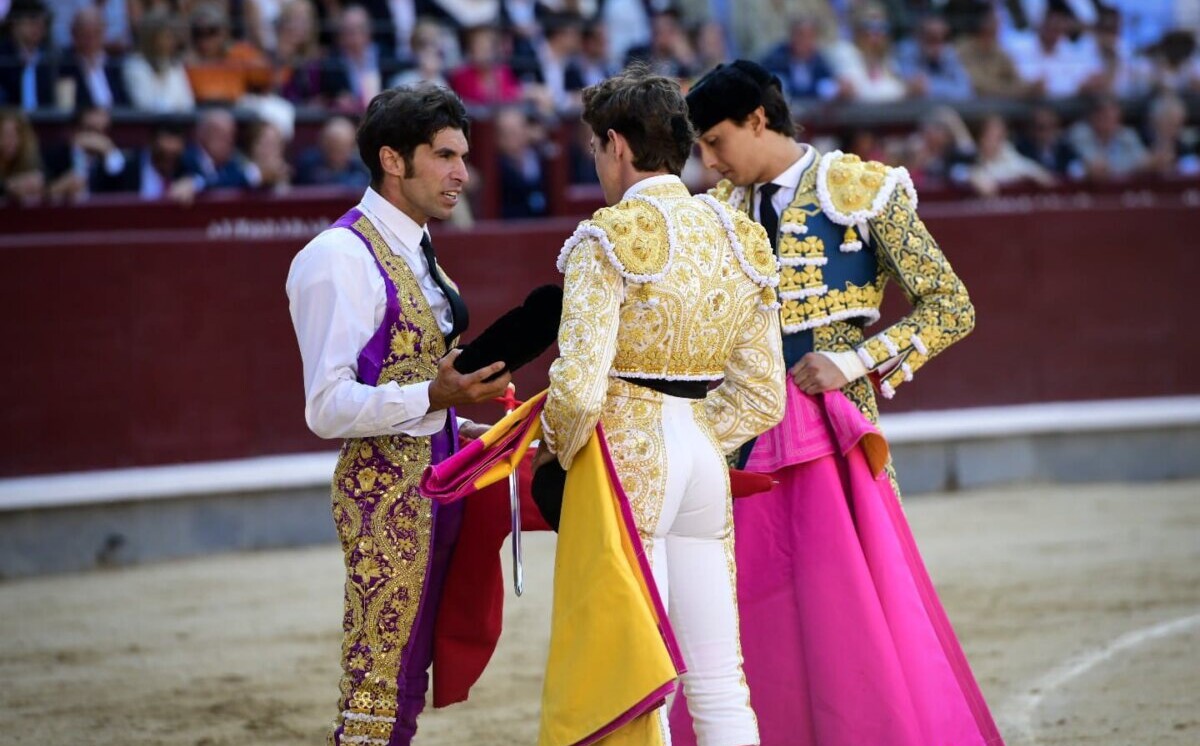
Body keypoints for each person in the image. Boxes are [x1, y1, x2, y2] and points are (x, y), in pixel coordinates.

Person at [679, 59, 1002, 746]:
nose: (707, 161)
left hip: (835, 433)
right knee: (749, 608)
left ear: (758, 120)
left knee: (846, 607)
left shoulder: (861, 189)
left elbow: (952, 306)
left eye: (715, 142)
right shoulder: (721, 212)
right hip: (740, 441)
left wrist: (856, 357)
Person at [537, 66, 786, 745]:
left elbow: (579, 390)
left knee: (634, 680)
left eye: (594, 148)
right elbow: (765, 394)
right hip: (703, 462)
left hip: (626, 464)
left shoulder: (608, 236)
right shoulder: (740, 235)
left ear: (616, 144)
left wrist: (555, 450)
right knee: (718, 675)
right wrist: (698, 430)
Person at [286, 84, 511, 746]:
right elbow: (325, 406)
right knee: (378, 681)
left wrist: (462, 420)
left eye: (463, 157)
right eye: (444, 156)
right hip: (384, 494)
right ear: (392, 158)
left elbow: (415, 379)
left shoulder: (417, 249)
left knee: (409, 676)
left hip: (443, 476)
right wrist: (432, 400)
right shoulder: (337, 257)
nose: (461, 174)